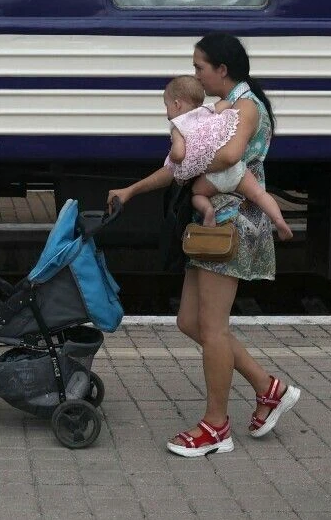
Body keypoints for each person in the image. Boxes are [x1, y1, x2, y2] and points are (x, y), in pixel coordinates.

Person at [109, 34, 303, 457]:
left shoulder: (246, 107)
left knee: (213, 329)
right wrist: (131, 190)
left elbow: (229, 157)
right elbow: (178, 166)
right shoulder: (220, 108)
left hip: (232, 225)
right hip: (210, 225)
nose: (195, 75)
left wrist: (189, 160)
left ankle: (216, 427)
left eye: (199, 67)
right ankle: (269, 388)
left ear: (222, 69)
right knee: (189, 321)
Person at [162, 75, 293, 240]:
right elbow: (227, 104)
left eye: (166, 106)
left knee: (196, 194)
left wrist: (173, 156)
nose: (166, 112)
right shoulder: (207, 111)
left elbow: (179, 154)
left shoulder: (178, 126)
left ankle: (208, 212)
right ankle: (279, 221)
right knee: (259, 194)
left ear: (177, 104)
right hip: (236, 169)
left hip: (212, 177)